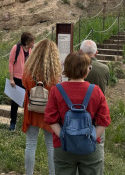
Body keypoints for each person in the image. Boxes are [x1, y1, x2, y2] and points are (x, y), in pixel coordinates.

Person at [44, 52, 111, 175]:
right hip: (90, 148)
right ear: (87, 70)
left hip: (63, 146)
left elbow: (50, 119)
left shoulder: (56, 90)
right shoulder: (96, 91)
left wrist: (64, 136)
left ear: (66, 69)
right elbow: (104, 120)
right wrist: (91, 138)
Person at [21, 39, 61, 175]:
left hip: (32, 109)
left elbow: (25, 84)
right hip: (49, 111)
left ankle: (29, 173)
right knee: (51, 146)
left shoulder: (28, 69)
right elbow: (56, 91)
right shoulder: (54, 73)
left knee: (31, 144)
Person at [80, 40, 110, 174]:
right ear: (96, 52)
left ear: (80, 52)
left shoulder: (75, 68)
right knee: (98, 147)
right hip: (97, 115)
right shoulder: (104, 68)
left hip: (77, 114)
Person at [8, 32, 35, 131]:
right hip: (17, 78)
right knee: (15, 102)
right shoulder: (16, 48)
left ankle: (26, 122)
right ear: (27, 42)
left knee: (28, 101)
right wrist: (11, 79)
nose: (33, 43)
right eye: (32, 41)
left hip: (27, 78)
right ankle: (13, 123)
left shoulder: (31, 50)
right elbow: (11, 63)